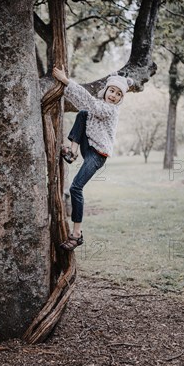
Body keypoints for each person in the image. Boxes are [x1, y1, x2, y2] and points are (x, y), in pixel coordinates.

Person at [52, 65, 132, 251]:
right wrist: (65, 86)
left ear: (121, 99)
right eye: (112, 90)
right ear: (105, 90)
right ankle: (72, 152)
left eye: (118, 94)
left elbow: (89, 102)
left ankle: (77, 234)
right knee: (82, 113)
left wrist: (66, 82)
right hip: (88, 145)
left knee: (76, 188)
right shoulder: (98, 106)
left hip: (97, 155)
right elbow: (85, 105)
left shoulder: (110, 110)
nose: (114, 95)